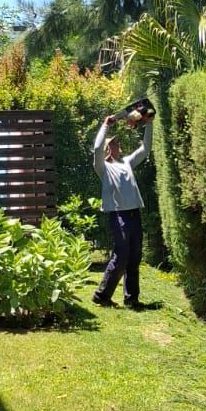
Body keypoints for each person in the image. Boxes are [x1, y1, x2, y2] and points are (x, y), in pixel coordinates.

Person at [92, 108, 153, 308]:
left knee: (135, 255)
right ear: (109, 149)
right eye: (114, 143)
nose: (117, 145)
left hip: (135, 213)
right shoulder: (103, 168)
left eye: (117, 143)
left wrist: (149, 124)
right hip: (119, 215)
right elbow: (96, 148)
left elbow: (145, 149)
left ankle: (131, 299)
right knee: (121, 255)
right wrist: (105, 126)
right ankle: (102, 296)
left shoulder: (126, 163)